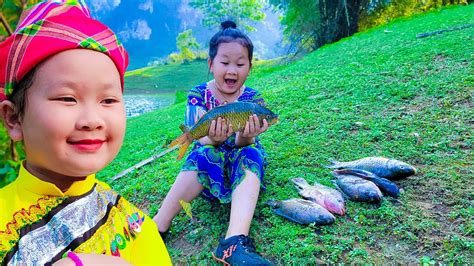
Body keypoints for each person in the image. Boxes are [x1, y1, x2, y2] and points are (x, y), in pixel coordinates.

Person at [0, 1, 171, 265]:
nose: (92, 120)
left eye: (108, 101)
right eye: (68, 98)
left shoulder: (139, 230)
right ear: (14, 118)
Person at [154, 21, 272, 265]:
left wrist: (247, 135)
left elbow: (246, 144)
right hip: (207, 177)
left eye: (240, 64)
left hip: (242, 176)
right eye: (225, 62)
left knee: (253, 154)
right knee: (203, 154)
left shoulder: (254, 100)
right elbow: (197, 135)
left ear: (249, 67)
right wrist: (212, 138)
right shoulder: (198, 96)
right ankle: (157, 227)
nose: (232, 70)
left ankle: (233, 242)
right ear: (211, 64)